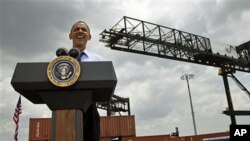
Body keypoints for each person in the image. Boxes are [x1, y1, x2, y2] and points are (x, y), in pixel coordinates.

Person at [69, 21, 102, 141]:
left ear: (89, 36)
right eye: (76, 29)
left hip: (90, 110)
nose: (80, 31)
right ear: (70, 35)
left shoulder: (98, 60)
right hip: (64, 109)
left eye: (83, 30)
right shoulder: (57, 60)